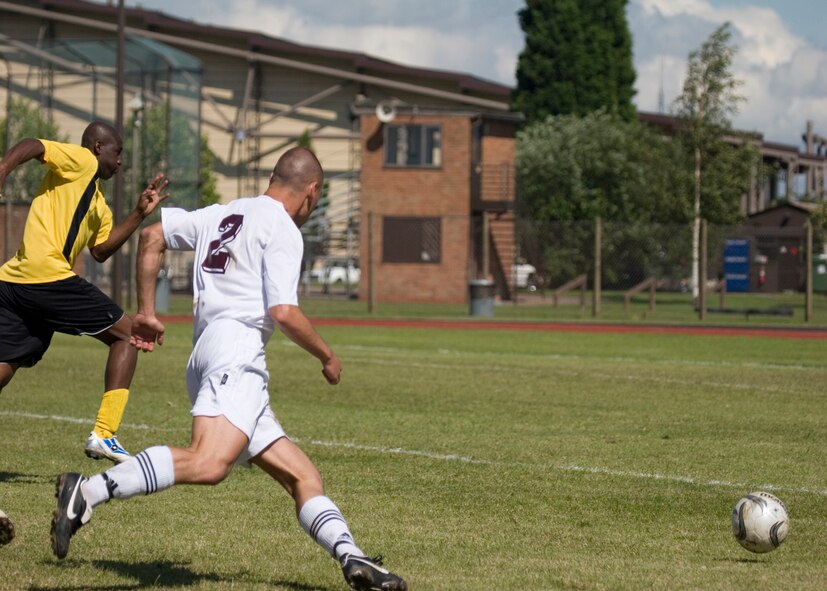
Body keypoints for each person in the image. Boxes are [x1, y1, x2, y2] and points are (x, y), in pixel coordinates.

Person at [50, 147, 408, 591]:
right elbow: (283, 310)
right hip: (236, 351)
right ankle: (86, 492)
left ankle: (353, 559)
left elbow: (152, 237)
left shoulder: (224, 213)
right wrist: (327, 356)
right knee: (209, 463)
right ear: (311, 192)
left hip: (208, 354)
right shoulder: (282, 227)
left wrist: (146, 310)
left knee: (302, 475)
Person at [0, 121, 168, 464]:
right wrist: (3, 167)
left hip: (13, 281)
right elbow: (35, 144)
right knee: (129, 335)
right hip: (46, 276)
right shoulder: (81, 161)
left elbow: (101, 250)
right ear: (97, 147)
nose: (120, 161)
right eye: (117, 152)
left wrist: (138, 213)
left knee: (7, 363)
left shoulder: (96, 200)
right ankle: (105, 434)